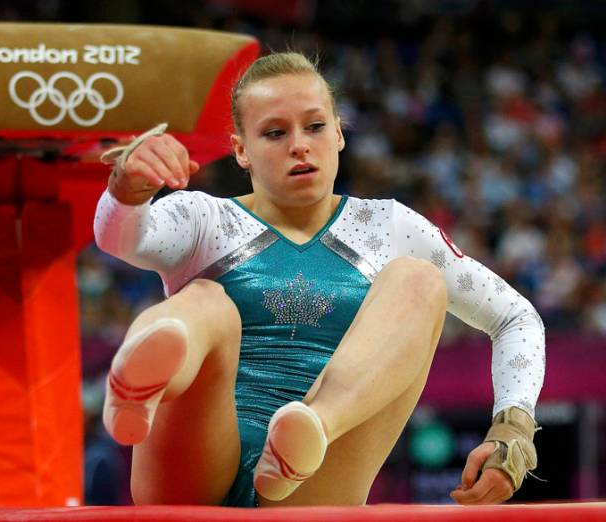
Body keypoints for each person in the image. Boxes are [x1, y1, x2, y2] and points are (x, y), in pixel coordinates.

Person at [93, 52, 544, 507]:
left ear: (340, 133)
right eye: (274, 132)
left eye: (315, 127)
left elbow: (516, 317)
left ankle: (310, 428)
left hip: (309, 484)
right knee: (207, 301)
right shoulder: (205, 219)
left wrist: (513, 429)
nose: (299, 145)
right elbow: (120, 239)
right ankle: (136, 385)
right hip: (193, 469)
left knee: (419, 280)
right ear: (240, 150)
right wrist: (128, 186)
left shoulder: (390, 228)